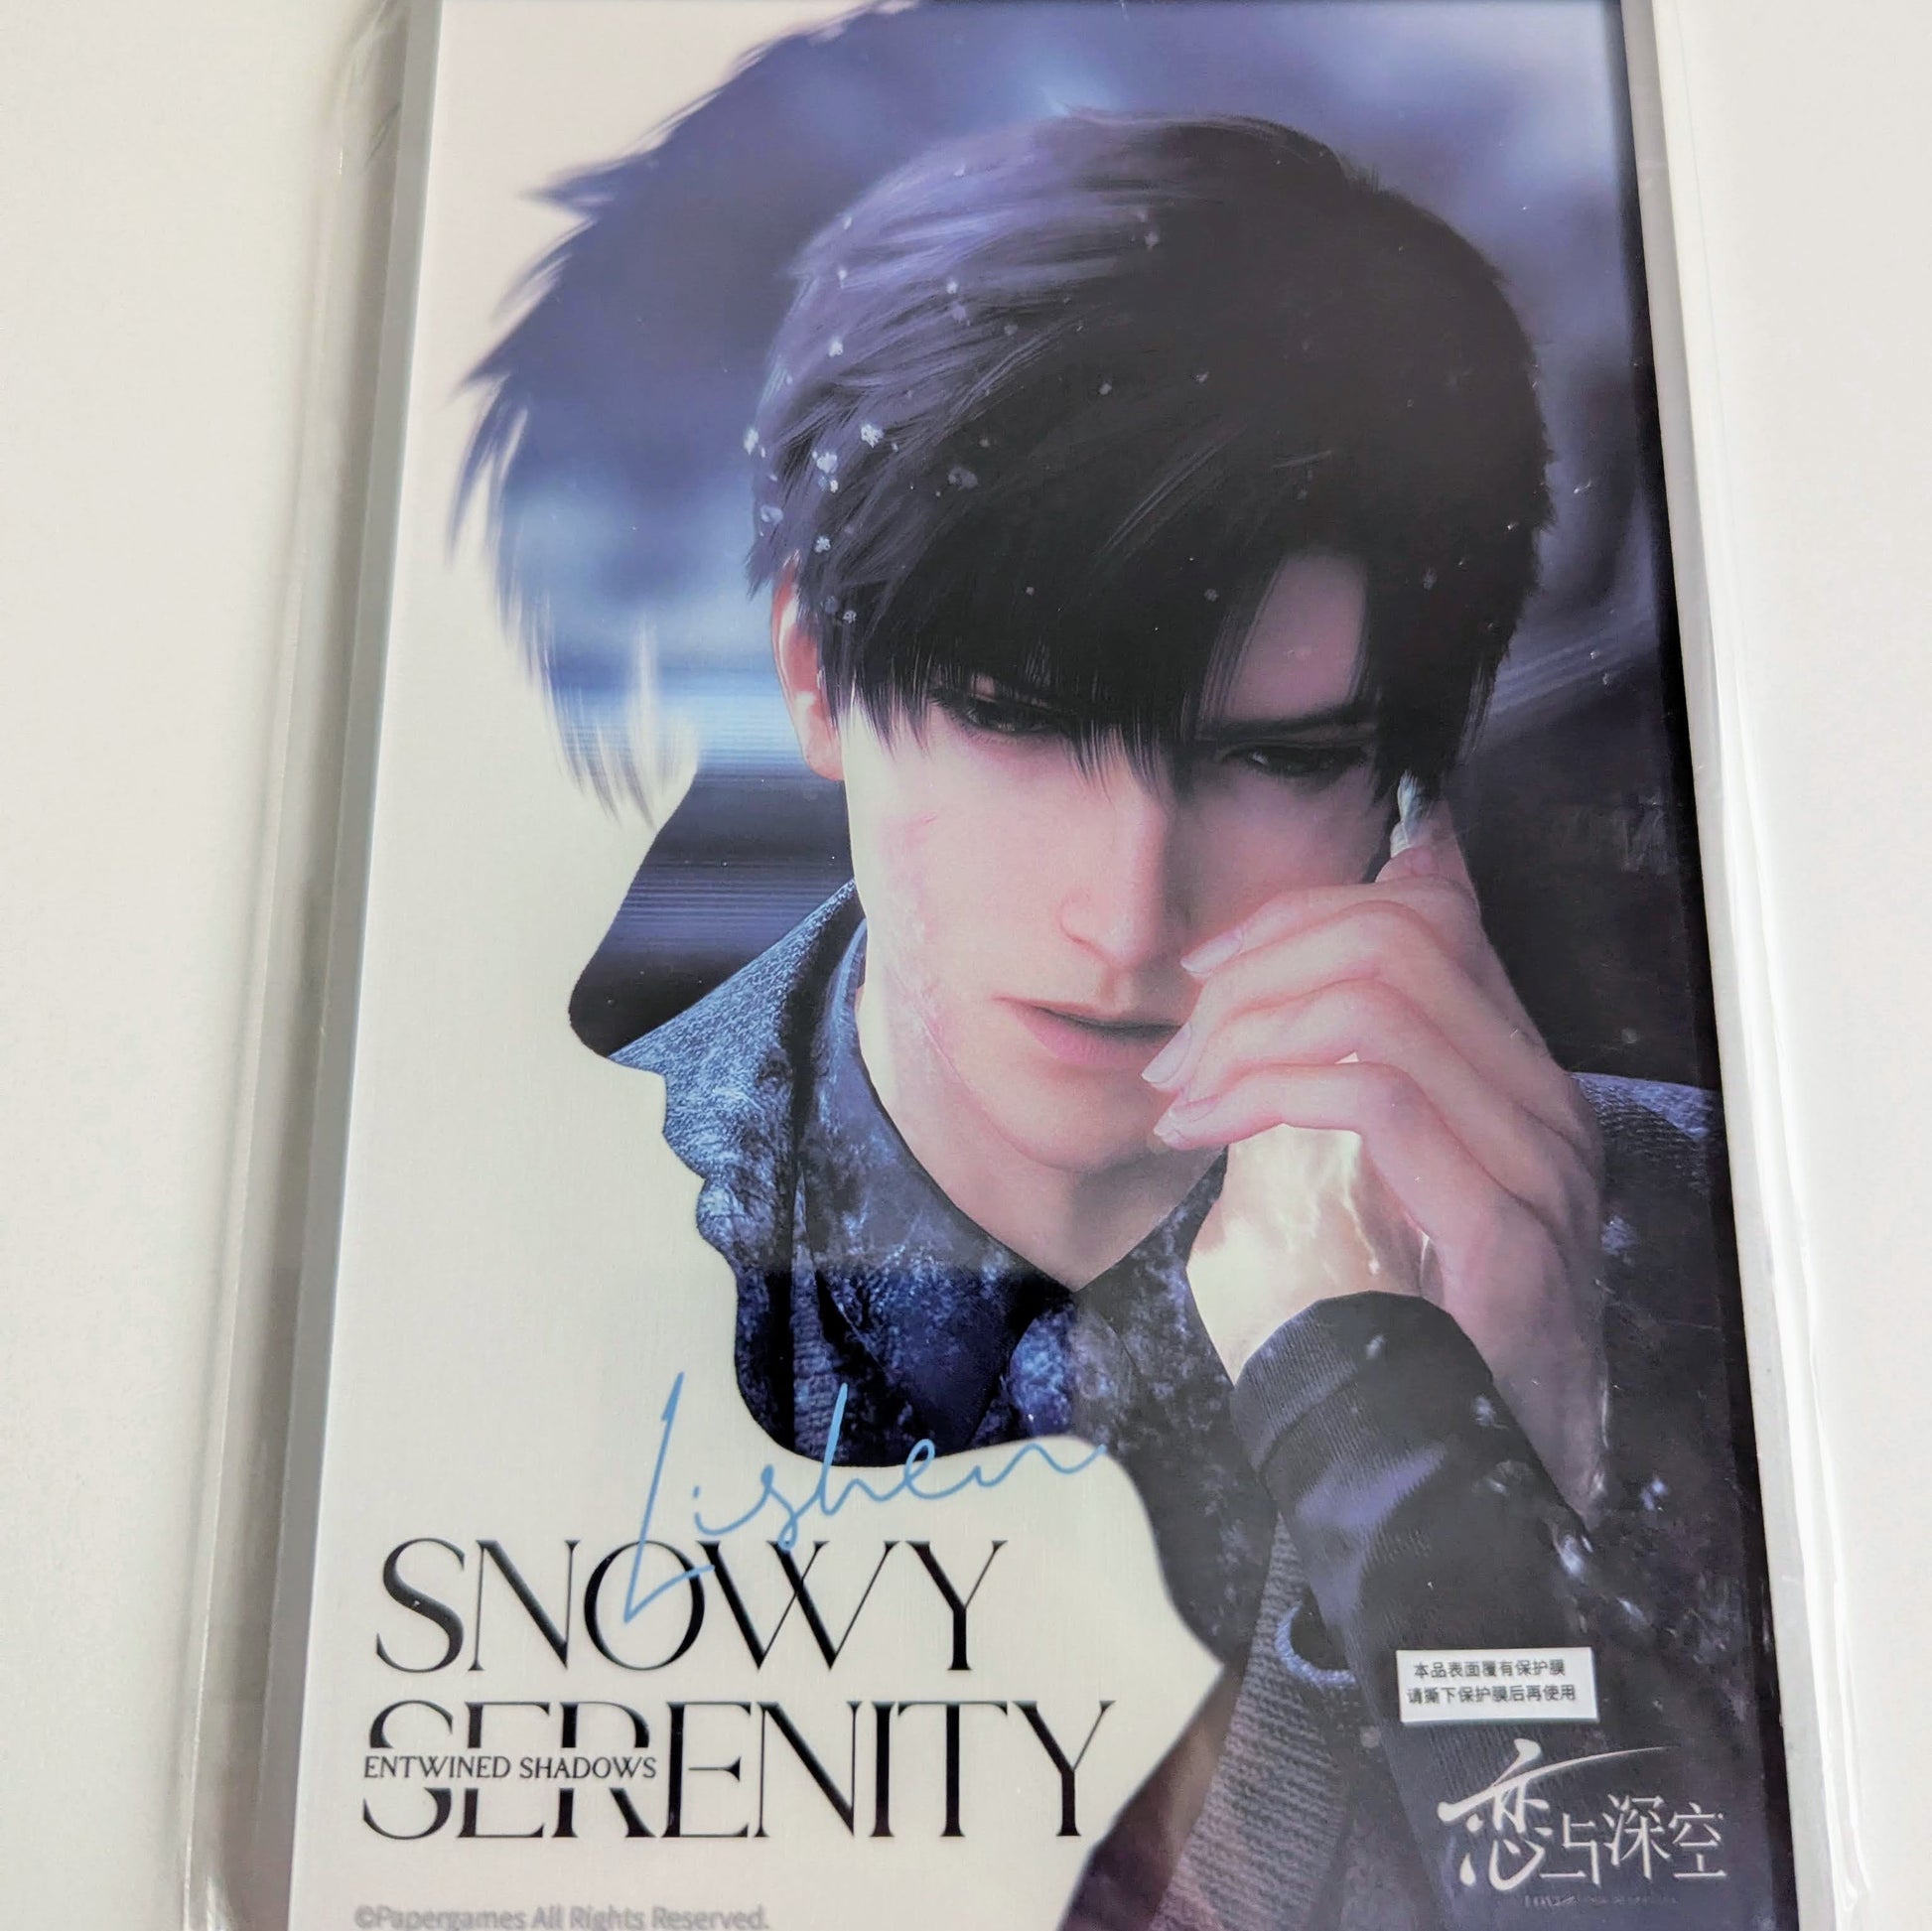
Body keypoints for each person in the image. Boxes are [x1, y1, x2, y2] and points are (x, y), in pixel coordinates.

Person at [511, 114, 1781, 1928]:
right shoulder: (519, 1222)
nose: (1124, 919)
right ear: (812, 674)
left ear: (1404, 781)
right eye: (1019, 719)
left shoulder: (1717, 1252)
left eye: (1267, 757)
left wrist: (1531, 1470)